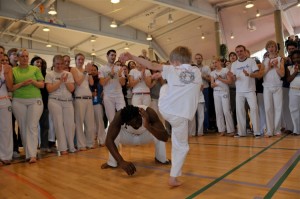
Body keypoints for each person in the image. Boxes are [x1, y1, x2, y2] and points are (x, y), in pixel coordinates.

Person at [120, 46, 202, 187]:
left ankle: (173, 178)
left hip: (166, 109)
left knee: (165, 88)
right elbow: (194, 85)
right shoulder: (197, 71)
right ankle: (173, 177)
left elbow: (151, 65)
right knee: (181, 146)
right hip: (182, 117)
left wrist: (132, 56)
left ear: (175, 62)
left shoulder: (171, 69)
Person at [101, 105, 170, 173]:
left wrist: (148, 126)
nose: (137, 125)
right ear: (126, 122)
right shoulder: (120, 116)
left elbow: (165, 137)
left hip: (145, 136)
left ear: (140, 115)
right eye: (133, 124)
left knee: (160, 129)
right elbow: (108, 141)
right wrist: (121, 161)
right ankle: (112, 163)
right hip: (128, 137)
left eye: (138, 121)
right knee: (109, 132)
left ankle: (160, 158)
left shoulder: (149, 112)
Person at [10, 49, 44, 163]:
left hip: (35, 100)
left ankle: (32, 154)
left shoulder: (35, 69)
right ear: (18, 58)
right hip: (18, 101)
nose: (25, 58)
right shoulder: (13, 70)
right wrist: (22, 84)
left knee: (32, 126)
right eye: (22, 56)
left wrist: (33, 82)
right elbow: (11, 88)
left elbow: (42, 85)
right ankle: (28, 154)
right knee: (23, 127)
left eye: (26, 56)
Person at [46, 55, 76, 154]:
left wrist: (66, 80)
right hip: (54, 101)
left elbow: (72, 89)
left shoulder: (68, 74)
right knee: (58, 124)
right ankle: (63, 148)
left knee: (70, 124)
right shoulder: (49, 74)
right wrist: (60, 81)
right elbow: (49, 89)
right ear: (53, 63)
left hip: (67, 101)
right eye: (57, 63)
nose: (59, 66)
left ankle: (71, 146)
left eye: (61, 63)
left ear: (64, 64)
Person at [230, 45, 260, 138]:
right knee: (239, 111)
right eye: (237, 51)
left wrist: (249, 74)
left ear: (244, 51)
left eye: (241, 51)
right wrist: (232, 77)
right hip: (239, 91)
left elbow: (257, 74)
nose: (239, 53)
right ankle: (241, 132)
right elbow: (233, 79)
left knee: (254, 109)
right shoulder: (234, 64)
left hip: (250, 90)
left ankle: (257, 132)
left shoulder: (251, 61)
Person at [70, 53, 95, 150]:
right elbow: (78, 82)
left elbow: (91, 83)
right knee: (79, 123)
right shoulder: (73, 69)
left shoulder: (86, 71)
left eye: (82, 59)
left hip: (88, 97)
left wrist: (89, 72)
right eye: (79, 59)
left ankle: (90, 143)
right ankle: (81, 144)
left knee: (90, 122)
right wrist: (85, 72)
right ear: (75, 60)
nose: (81, 61)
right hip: (79, 98)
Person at [261, 40, 285, 137]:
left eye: (273, 46)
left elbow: (282, 74)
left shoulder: (280, 59)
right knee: (268, 108)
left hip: (277, 86)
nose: (271, 48)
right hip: (267, 86)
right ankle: (269, 130)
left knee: (278, 108)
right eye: (269, 47)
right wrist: (269, 67)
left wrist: (275, 66)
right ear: (267, 49)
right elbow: (261, 74)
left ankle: (277, 129)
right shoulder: (264, 60)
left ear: (276, 48)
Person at [99, 49, 126, 123]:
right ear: (107, 56)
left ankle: (122, 134)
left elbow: (123, 83)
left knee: (123, 115)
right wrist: (111, 74)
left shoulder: (119, 68)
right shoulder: (102, 68)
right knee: (111, 119)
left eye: (115, 55)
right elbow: (102, 83)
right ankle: (114, 134)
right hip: (108, 95)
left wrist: (120, 75)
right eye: (112, 55)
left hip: (119, 94)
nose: (113, 57)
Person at [0, 47, 13, 165]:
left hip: (4, 100)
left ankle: (6, 156)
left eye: (1, 53)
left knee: (6, 129)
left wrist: (6, 73)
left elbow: (10, 87)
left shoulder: (7, 68)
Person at [89, 64, 106, 146]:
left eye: (94, 70)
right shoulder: (87, 79)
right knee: (91, 123)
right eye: (91, 70)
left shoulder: (100, 80)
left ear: (97, 71)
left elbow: (105, 88)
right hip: (88, 103)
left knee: (100, 122)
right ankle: (91, 140)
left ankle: (102, 140)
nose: (92, 71)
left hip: (98, 103)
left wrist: (103, 93)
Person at [286, 50, 300, 136]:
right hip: (293, 91)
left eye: (298, 57)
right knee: (294, 110)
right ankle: (296, 130)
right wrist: (295, 72)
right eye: (294, 58)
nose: (296, 59)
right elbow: (288, 80)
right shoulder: (289, 68)